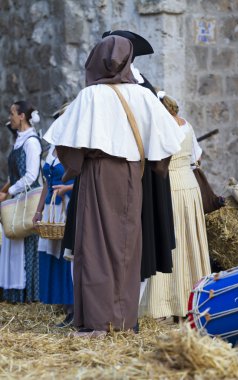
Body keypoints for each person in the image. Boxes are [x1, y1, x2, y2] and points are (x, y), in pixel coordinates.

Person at [43, 35, 185, 337]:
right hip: (133, 177)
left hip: (97, 175)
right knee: (127, 247)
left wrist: (75, 165)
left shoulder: (90, 95)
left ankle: (97, 320)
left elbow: (63, 143)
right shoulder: (145, 96)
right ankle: (121, 320)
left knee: (93, 246)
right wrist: (151, 163)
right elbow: (172, 138)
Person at [102, 31, 176, 298]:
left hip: (141, 171)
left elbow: (165, 134)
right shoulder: (103, 88)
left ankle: (129, 305)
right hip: (113, 170)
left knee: (142, 234)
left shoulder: (142, 88)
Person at [139, 93, 211, 320]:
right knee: (191, 242)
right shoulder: (186, 125)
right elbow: (197, 156)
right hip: (190, 186)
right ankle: (195, 300)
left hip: (171, 187)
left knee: (173, 243)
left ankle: (168, 304)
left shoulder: (162, 128)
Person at [0, 101, 42, 302]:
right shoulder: (20, 140)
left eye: (12, 114)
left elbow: (31, 175)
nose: (10, 118)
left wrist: (11, 192)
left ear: (22, 116)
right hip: (16, 198)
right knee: (12, 240)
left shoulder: (32, 142)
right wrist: (5, 190)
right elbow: (14, 175)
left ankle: (27, 294)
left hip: (26, 200)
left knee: (24, 241)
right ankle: (13, 292)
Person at [32, 142, 74, 325]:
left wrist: (67, 189)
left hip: (66, 205)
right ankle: (63, 304)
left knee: (65, 255)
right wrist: (38, 210)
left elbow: (84, 178)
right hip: (51, 208)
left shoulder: (73, 148)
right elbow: (46, 184)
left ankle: (73, 308)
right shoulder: (51, 151)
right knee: (52, 254)